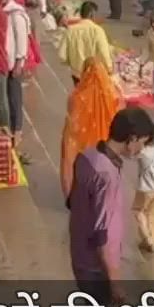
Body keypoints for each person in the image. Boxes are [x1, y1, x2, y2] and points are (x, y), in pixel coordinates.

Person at [62, 108, 154, 307]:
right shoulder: (107, 174)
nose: (141, 148)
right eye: (141, 142)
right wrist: (114, 281)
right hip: (97, 266)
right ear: (130, 141)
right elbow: (103, 234)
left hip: (80, 254)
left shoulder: (89, 156)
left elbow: (72, 199)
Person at [59, 57, 122, 202]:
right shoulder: (111, 94)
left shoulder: (76, 96)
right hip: (105, 141)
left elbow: (71, 116)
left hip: (81, 142)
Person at [0, 0, 32, 157]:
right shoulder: (4, 11)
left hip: (14, 63)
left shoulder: (16, 14)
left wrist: (20, 61)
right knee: (8, 96)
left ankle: (17, 130)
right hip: (4, 61)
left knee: (14, 97)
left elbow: (22, 40)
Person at [58, 1, 113, 84]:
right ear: (92, 14)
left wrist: (72, 63)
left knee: (79, 95)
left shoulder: (70, 30)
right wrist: (109, 69)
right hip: (93, 74)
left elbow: (61, 56)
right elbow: (103, 53)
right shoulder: (98, 30)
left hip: (76, 74)